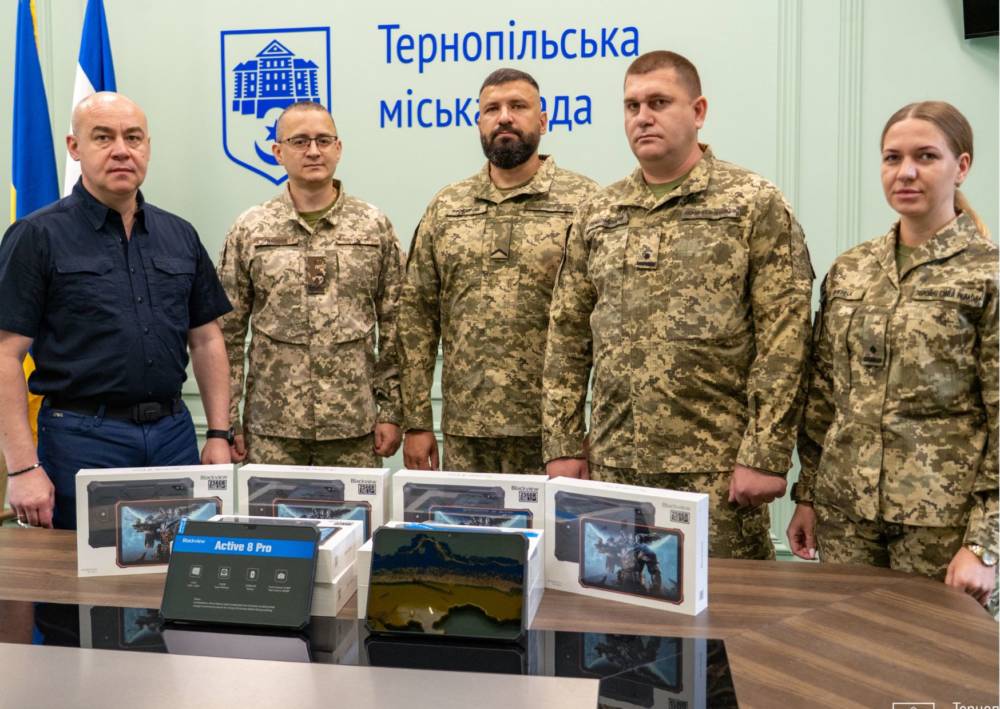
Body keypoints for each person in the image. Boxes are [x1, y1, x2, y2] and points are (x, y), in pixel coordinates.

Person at [542, 51, 814, 559]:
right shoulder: (599, 212)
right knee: (618, 601)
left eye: (659, 102)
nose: (642, 117)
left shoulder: (752, 202)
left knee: (725, 606)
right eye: (632, 106)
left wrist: (765, 453)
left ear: (698, 111)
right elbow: (567, 335)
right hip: (614, 467)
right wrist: (561, 444)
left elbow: (786, 337)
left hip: (716, 472)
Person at [788, 101, 998, 611]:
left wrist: (984, 544)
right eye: (892, 158)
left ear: (961, 167)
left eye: (925, 156)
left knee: (936, 657)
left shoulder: (987, 275)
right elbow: (823, 395)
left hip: (942, 526)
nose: (905, 172)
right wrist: (808, 495)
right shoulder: (852, 269)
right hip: (846, 516)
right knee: (848, 650)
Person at [0, 92, 233, 530]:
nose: (122, 150)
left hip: (173, 438)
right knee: (79, 570)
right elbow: (5, 355)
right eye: (103, 137)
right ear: (75, 147)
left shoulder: (179, 234)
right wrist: (22, 468)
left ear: (147, 147)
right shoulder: (36, 236)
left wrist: (219, 433)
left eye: (134, 138)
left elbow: (206, 339)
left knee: (177, 566)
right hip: (83, 439)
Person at [399, 68, 597, 474]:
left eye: (518, 106)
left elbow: (605, 324)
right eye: (492, 109)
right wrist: (417, 421)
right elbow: (417, 317)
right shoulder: (448, 207)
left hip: (554, 438)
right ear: (479, 123)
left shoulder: (586, 203)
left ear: (543, 120)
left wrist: (586, 432)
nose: (504, 117)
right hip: (465, 434)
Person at [218, 101, 403, 467]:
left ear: (339, 148)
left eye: (323, 140)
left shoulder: (373, 226)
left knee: (358, 510)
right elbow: (228, 332)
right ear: (277, 152)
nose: (314, 151)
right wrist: (226, 419)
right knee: (273, 510)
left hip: (354, 426)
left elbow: (396, 325)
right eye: (300, 141)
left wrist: (391, 411)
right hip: (273, 431)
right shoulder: (250, 229)